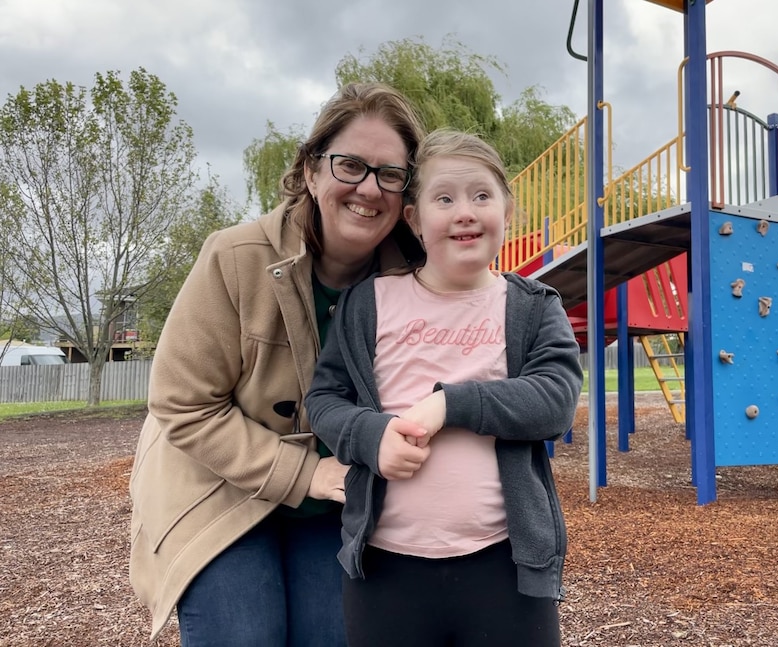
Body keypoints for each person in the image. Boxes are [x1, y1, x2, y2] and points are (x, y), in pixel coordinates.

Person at [128, 82, 426, 646]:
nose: (369, 188)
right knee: (245, 634)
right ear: (311, 171)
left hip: (331, 499)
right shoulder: (236, 258)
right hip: (217, 486)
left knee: (336, 636)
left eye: (390, 174)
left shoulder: (413, 284)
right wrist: (306, 472)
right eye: (350, 165)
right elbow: (181, 404)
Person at [305, 128, 584, 647]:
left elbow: (555, 399)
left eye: (482, 195)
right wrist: (371, 436)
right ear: (413, 217)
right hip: (386, 566)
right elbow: (323, 400)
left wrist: (448, 404)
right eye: (444, 198)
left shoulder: (532, 305)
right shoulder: (369, 303)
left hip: (504, 563)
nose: (465, 212)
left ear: (507, 208)